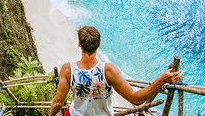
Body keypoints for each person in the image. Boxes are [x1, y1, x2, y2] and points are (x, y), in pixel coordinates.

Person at [49, 26, 183, 116]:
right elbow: (136, 99)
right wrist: (161, 80)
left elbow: (58, 103)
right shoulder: (108, 70)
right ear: (99, 45)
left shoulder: (68, 70)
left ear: (79, 44)